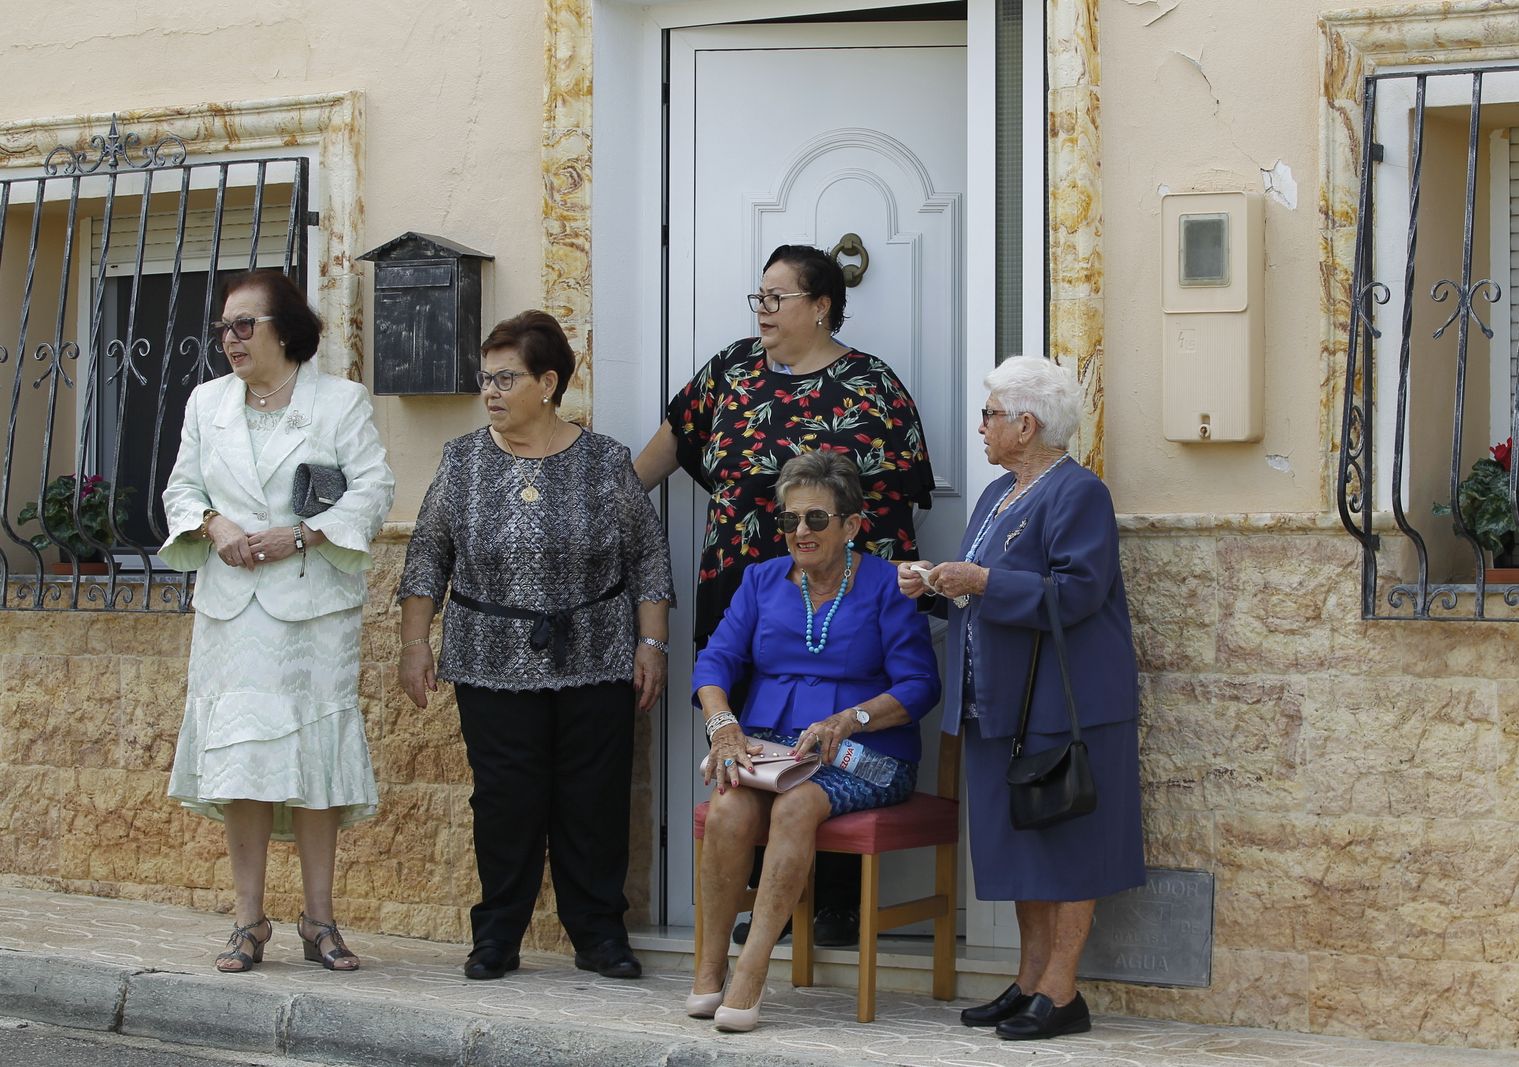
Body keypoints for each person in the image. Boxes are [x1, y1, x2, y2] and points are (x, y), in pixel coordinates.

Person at [635, 243, 937, 945]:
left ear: (821, 305)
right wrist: (604, 502)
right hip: (745, 587)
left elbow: (901, 500)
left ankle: (829, 903)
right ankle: (762, 899)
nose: (763, 310)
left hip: (843, 596)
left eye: (777, 297)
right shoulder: (731, 370)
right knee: (756, 728)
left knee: (824, 725)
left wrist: (877, 591)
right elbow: (666, 449)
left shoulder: (871, 385)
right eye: (759, 298)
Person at [396, 310, 674, 983]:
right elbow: (429, 550)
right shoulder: (462, 460)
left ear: (548, 383)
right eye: (485, 378)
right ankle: (497, 936)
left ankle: (600, 935)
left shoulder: (606, 460)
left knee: (594, 798)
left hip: (596, 656)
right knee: (505, 802)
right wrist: (414, 639)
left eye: (506, 377)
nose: (490, 390)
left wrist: (652, 643)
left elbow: (649, 558)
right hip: (489, 660)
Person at [897, 355, 1145, 1042]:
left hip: (1067, 707)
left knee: (1069, 846)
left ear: (1025, 424)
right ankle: (1030, 978)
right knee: (1025, 848)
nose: (980, 427)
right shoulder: (994, 494)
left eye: (989, 414)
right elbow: (989, 595)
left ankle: (1062, 990)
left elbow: (1077, 593)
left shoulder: (1078, 493)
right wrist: (939, 585)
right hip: (1000, 705)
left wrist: (977, 579)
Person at [161, 269, 396, 974]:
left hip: (313, 608)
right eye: (223, 328)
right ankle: (247, 922)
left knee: (314, 759)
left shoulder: (340, 401)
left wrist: (303, 535)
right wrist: (213, 522)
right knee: (242, 761)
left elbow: (375, 487)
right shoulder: (207, 404)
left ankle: (320, 921)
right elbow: (182, 485)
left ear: (284, 329)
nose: (230, 339)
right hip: (233, 609)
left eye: (244, 325)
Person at [690, 451, 939, 1033]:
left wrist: (851, 718)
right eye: (789, 520)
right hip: (776, 748)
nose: (800, 532)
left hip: (868, 752)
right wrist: (723, 726)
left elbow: (920, 686)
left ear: (851, 525)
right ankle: (707, 969)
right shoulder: (759, 580)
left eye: (816, 520)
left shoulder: (886, 584)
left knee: (799, 804)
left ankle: (751, 973)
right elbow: (714, 662)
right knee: (728, 807)